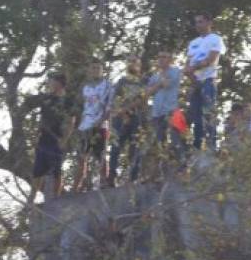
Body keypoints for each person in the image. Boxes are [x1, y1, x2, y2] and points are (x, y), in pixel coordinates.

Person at [183, 12, 226, 151]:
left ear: (209, 23)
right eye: (196, 22)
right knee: (196, 116)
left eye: (201, 21)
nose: (198, 25)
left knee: (208, 113)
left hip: (208, 80)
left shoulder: (215, 39)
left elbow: (211, 60)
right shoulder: (193, 43)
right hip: (195, 82)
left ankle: (211, 146)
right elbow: (187, 65)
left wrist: (193, 68)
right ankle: (197, 147)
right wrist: (192, 77)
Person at [31, 72, 74, 200]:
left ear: (59, 83)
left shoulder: (68, 101)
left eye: (52, 81)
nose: (49, 84)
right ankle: (31, 199)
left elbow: (71, 121)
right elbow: (42, 119)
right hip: (44, 138)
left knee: (56, 171)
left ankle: (56, 198)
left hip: (58, 139)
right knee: (37, 171)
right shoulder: (46, 99)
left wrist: (65, 139)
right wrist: (36, 134)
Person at [107, 56, 146, 186]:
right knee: (115, 147)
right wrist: (122, 114)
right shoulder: (121, 81)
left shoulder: (143, 81)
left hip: (137, 118)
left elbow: (144, 99)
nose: (132, 64)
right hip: (120, 118)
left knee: (135, 148)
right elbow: (114, 100)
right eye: (130, 61)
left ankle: (133, 178)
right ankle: (111, 177)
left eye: (134, 62)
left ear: (139, 65)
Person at [74, 60, 112, 192]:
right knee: (81, 156)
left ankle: (104, 182)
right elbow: (81, 106)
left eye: (98, 68)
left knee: (100, 155)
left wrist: (102, 120)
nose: (95, 70)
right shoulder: (85, 87)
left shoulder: (107, 85)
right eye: (93, 68)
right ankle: (78, 185)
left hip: (100, 124)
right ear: (89, 70)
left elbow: (110, 106)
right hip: (85, 125)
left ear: (102, 70)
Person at [146, 50, 185, 163]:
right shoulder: (154, 76)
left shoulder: (175, 71)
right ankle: (163, 171)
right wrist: (158, 84)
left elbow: (167, 84)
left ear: (170, 59)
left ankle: (183, 166)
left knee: (176, 139)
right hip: (157, 113)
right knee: (159, 143)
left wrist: (156, 86)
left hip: (173, 111)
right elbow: (147, 92)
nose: (161, 59)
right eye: (159, 57)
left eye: (164, 57)